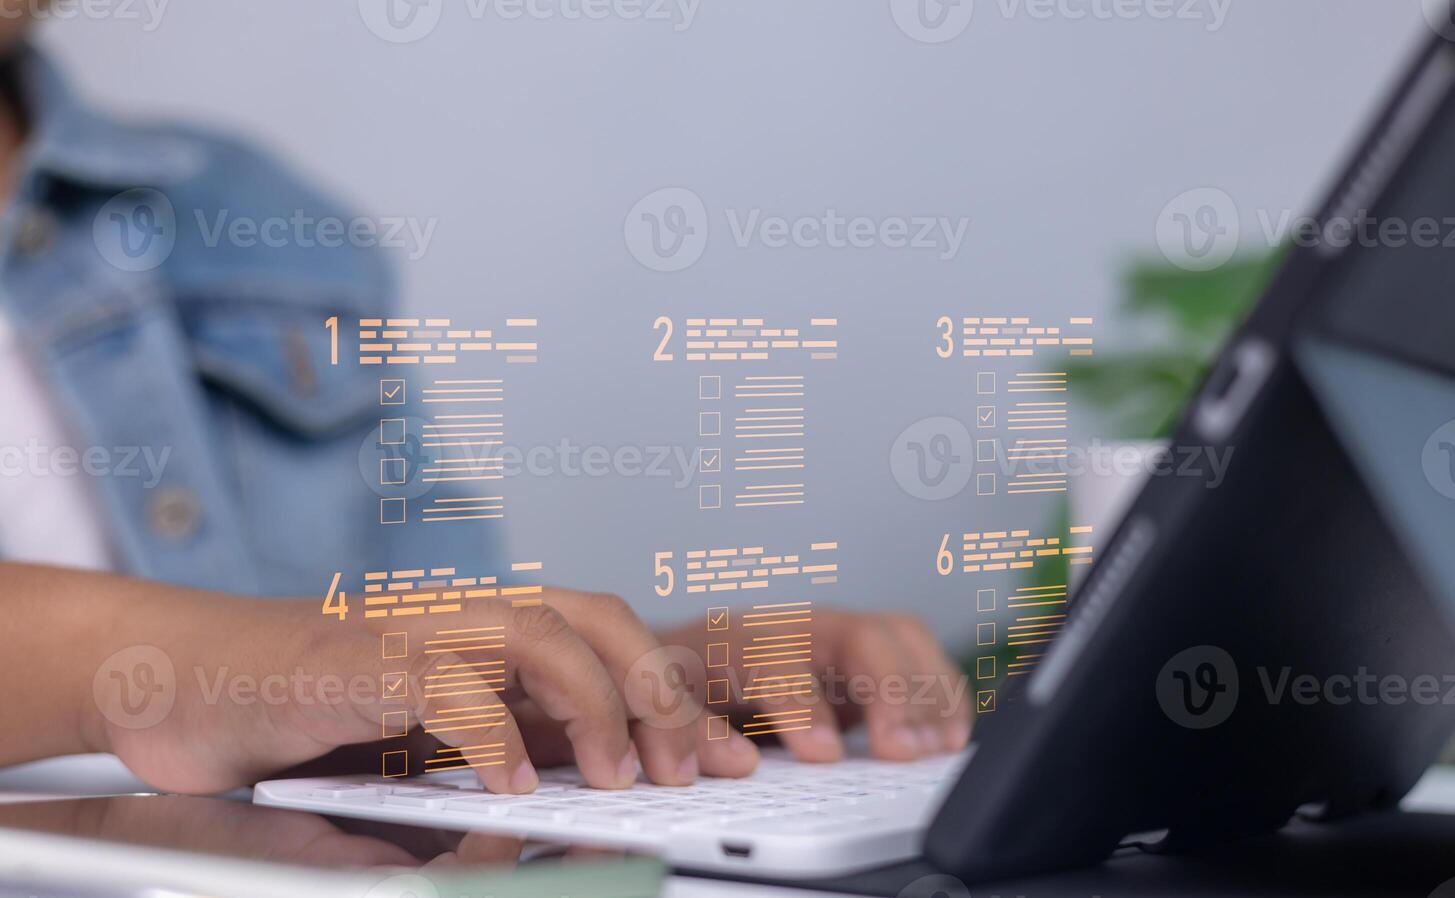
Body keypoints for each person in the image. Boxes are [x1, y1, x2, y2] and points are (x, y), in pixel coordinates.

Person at [0, 17, 970, 798]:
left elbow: (406, 658)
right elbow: (250, 666)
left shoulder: (251, 218)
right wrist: (159, 666)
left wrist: (626, 682)